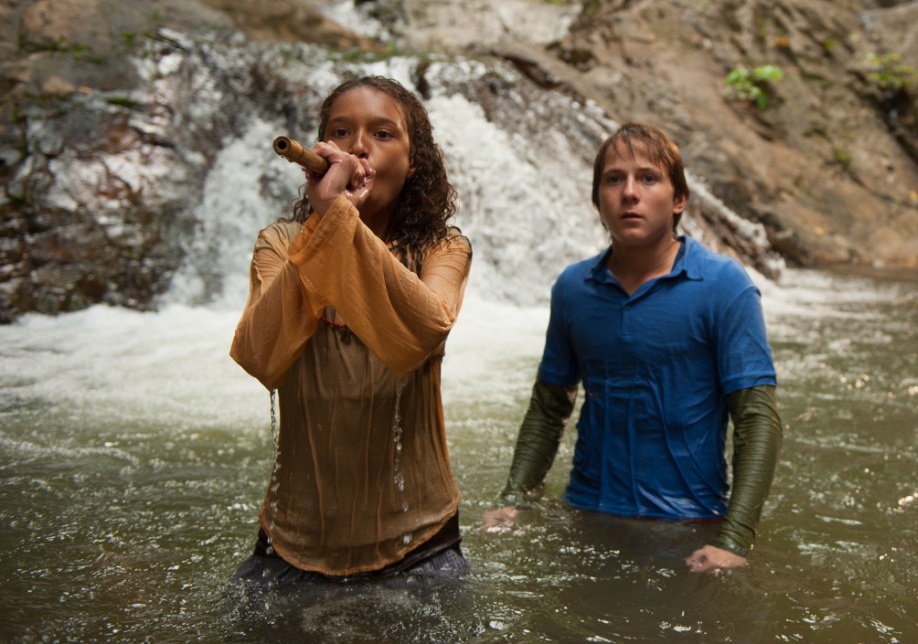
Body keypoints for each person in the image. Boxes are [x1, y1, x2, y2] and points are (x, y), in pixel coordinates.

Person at [481, 123, 782, 574]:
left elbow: (757, 420)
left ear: (679, 199)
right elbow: (548, 408)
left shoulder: (724, 286)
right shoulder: (573, 289)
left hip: (689, 527)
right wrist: (514, 499)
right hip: (586, 517)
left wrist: (735, 538)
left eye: (648, 178)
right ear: (597, 199)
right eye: (614, 179)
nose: (629, 193)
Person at [229, 75, 472, 587]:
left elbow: (422, 330)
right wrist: (328, 224)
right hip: (290, 544)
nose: (358, 146)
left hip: (420, 545)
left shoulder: (443, 248)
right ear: (319, 152)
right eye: (341, 132)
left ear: (413, 162)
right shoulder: (280, 240)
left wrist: (337, 220)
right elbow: (258, 352)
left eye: (383, 134)